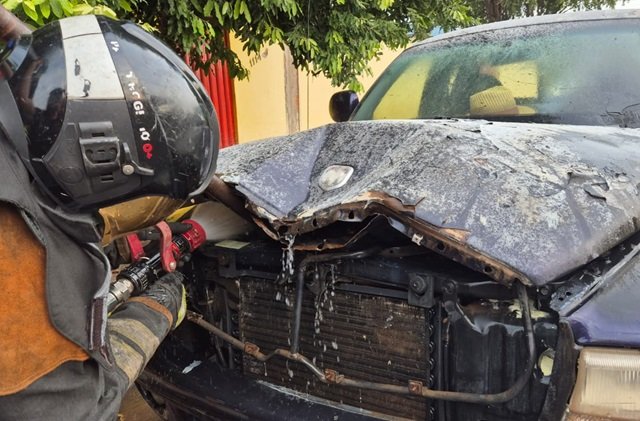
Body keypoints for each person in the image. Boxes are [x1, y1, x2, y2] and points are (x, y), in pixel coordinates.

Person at [0, 8, 219, 420]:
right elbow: (78, 411)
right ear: (93, 153)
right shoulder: (20, 255)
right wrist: (155, 310)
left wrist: (111, 249)